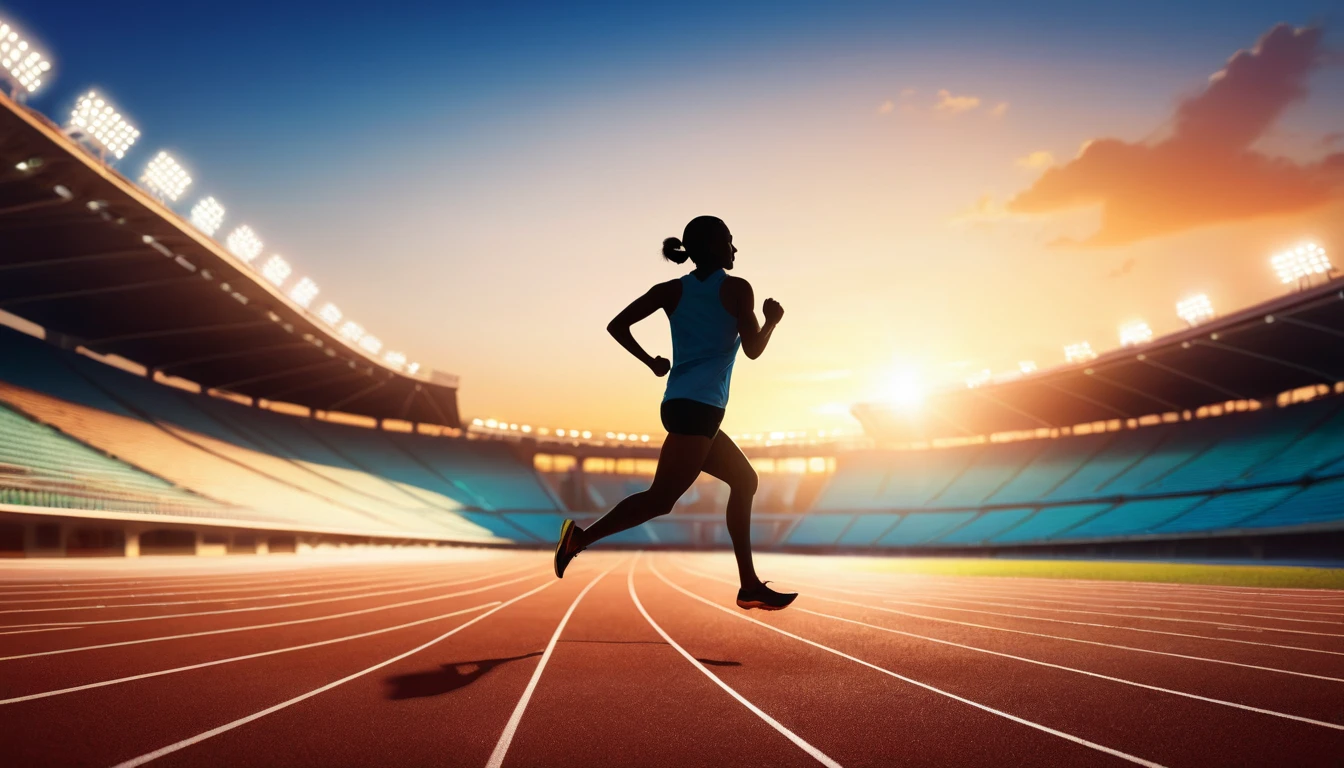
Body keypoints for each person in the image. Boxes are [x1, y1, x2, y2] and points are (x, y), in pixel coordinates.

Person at [552, 215, 797, 611]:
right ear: (715, 247)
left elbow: (618, 325)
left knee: (745, 481)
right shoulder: (737, 289)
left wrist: (651, 361)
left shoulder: (671, 290)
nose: (736, 250)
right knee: (660, 500)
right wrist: (771, 322)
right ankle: (578, 539)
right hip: (698, 409)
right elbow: (753, 349)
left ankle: (749, 584)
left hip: (685, 405)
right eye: (731, 242)